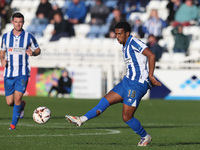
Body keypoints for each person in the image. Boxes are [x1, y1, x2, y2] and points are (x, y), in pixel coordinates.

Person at [65, 22, 161, 146]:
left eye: (120, 34)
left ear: (127, 34)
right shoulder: (125, 45)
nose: (117, 36)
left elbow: (151, 55)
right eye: (116, 34)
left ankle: (145, 136)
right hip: (127, 81)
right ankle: (81, 119)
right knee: (104, 101)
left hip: (137, 84)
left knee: (127, 117)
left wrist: (151, 76)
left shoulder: (134, 42)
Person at [0, 12, 41, 130]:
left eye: (20, 22)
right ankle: (21, 106)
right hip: (9, 73)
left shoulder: (29, 37)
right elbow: (2, 51)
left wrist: (33, 53)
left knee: (17, 98)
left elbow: (38, 50)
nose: (18, 24)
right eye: (16, 22)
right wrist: (2, 59)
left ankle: (13, 125)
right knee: (9, 102)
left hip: (22, 73)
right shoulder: (5, 37)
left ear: (23, 23)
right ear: (12, 22)